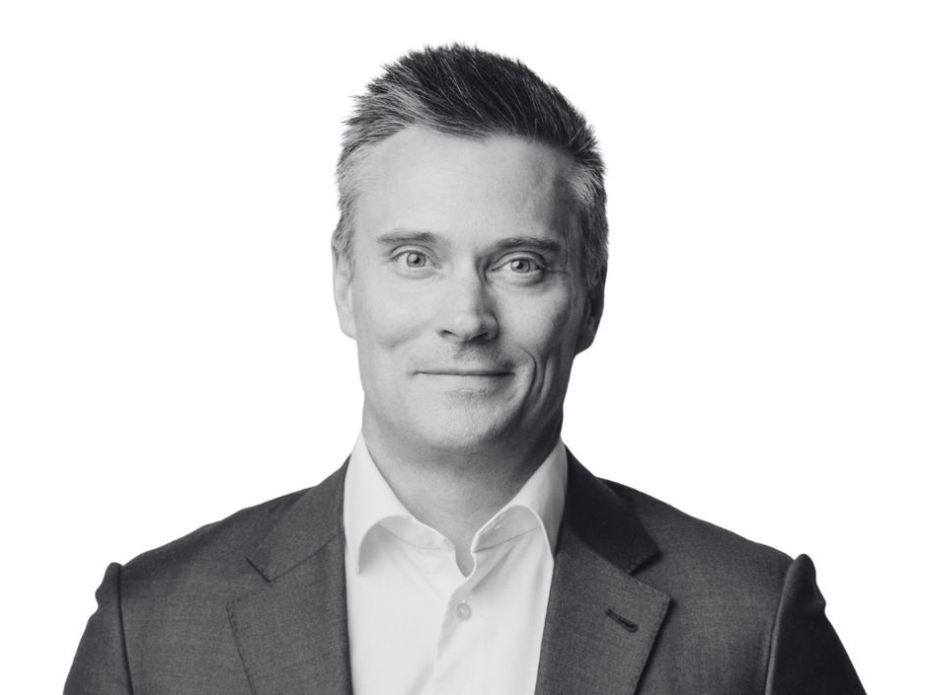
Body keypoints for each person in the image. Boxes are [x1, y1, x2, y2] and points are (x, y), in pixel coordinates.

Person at [65, 44, 866, 695]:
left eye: (520, 264)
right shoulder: (151, 631)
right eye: (416, 258)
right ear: (344, 282)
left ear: (591, 298)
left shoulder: (754, 625)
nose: (467, 317)